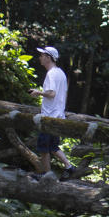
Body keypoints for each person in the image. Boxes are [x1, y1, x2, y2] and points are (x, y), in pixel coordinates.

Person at [30, 45, 77, 179]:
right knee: (53, 147)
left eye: (42, 55)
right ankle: (69, 167)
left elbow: (51, 93)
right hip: (58, 116)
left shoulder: (51, 74)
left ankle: (47, 176)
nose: (40, 58)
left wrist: (38, 92)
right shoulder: (60, 73)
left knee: (43, 149)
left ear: (48, 58)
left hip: (49, 118)